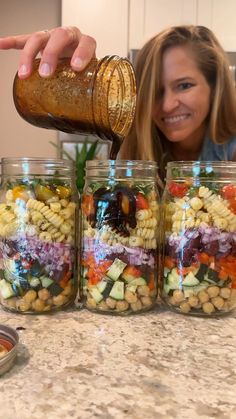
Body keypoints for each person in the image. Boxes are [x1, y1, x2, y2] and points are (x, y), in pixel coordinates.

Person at [1, 25, 236, 180]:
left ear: (215, 86)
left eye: (184, 85)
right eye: (154, 92)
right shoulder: (135, 156)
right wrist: (72, 80)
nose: (166, 105)